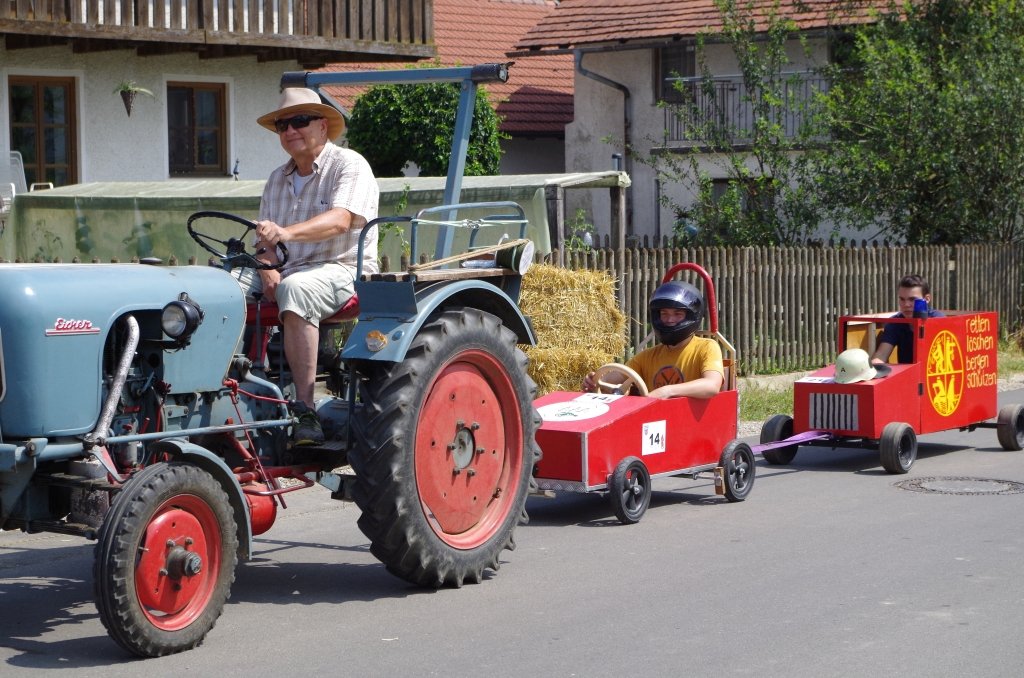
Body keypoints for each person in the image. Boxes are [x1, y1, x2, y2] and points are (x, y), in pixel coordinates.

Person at [243, 87, 379, 445]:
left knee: (295, 289)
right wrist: (267, 269)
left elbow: (341, 220)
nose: (289, 130)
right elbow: (265, 242)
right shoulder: (277, 178)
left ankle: (304, 409)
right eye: (282, 125)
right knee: (213, 291)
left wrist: (285, 235)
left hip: (342, 267)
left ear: (322, 126)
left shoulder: (349, 165)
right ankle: (224, 388)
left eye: (299, 121)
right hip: (288, 269)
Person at [583, 281, 724, 399]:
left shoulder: (707, 347)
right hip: (655, 423)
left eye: (678, 314)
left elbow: (711, 385)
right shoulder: (646, 357)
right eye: (664, 314)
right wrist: (594, 382)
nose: (670, 320)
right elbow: (609, 381)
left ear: (692, 316)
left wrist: (667, 391)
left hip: (691, 423)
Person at [871, 274, 944, 366]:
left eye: (912, 299)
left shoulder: (938, 320)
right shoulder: (895, 322)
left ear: (926, 299)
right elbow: (881, 355)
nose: (906, 304)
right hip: (907, 377)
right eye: (902, 299)